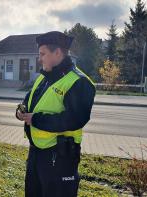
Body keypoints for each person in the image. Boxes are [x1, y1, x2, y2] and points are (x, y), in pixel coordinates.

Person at [16, 31, 95, 197]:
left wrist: (36, 119)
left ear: (57, 52)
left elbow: (75, 120)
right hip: (37, 153)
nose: (40, 58)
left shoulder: (79, 82)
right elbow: (29, 99)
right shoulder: (44, 77)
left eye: (43, 54)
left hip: (60, 157)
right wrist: (21, 111)